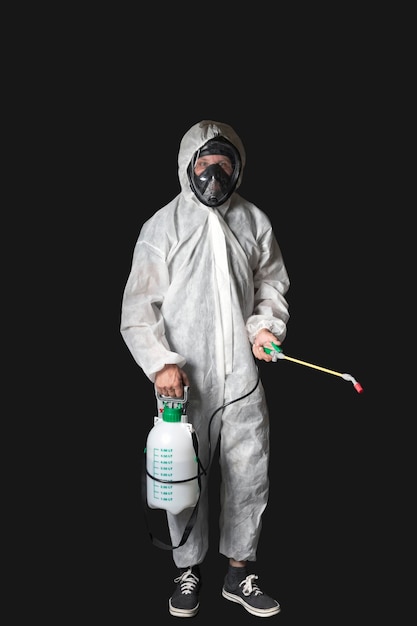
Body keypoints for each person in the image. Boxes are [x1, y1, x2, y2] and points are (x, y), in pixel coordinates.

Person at [120, 120, 290, 618]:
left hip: (241, 375)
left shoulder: (254, 221)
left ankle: (239, 574)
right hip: (183, 380)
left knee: (248, 470)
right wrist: (159, 365)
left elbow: (272, 285)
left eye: (223, 165)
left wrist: (265, 330)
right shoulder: (163, 227)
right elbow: (137, 310)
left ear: (237, 168)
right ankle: (187, 571)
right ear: (186, 166)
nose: (213, 175)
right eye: (204, 164)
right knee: (182, 479)